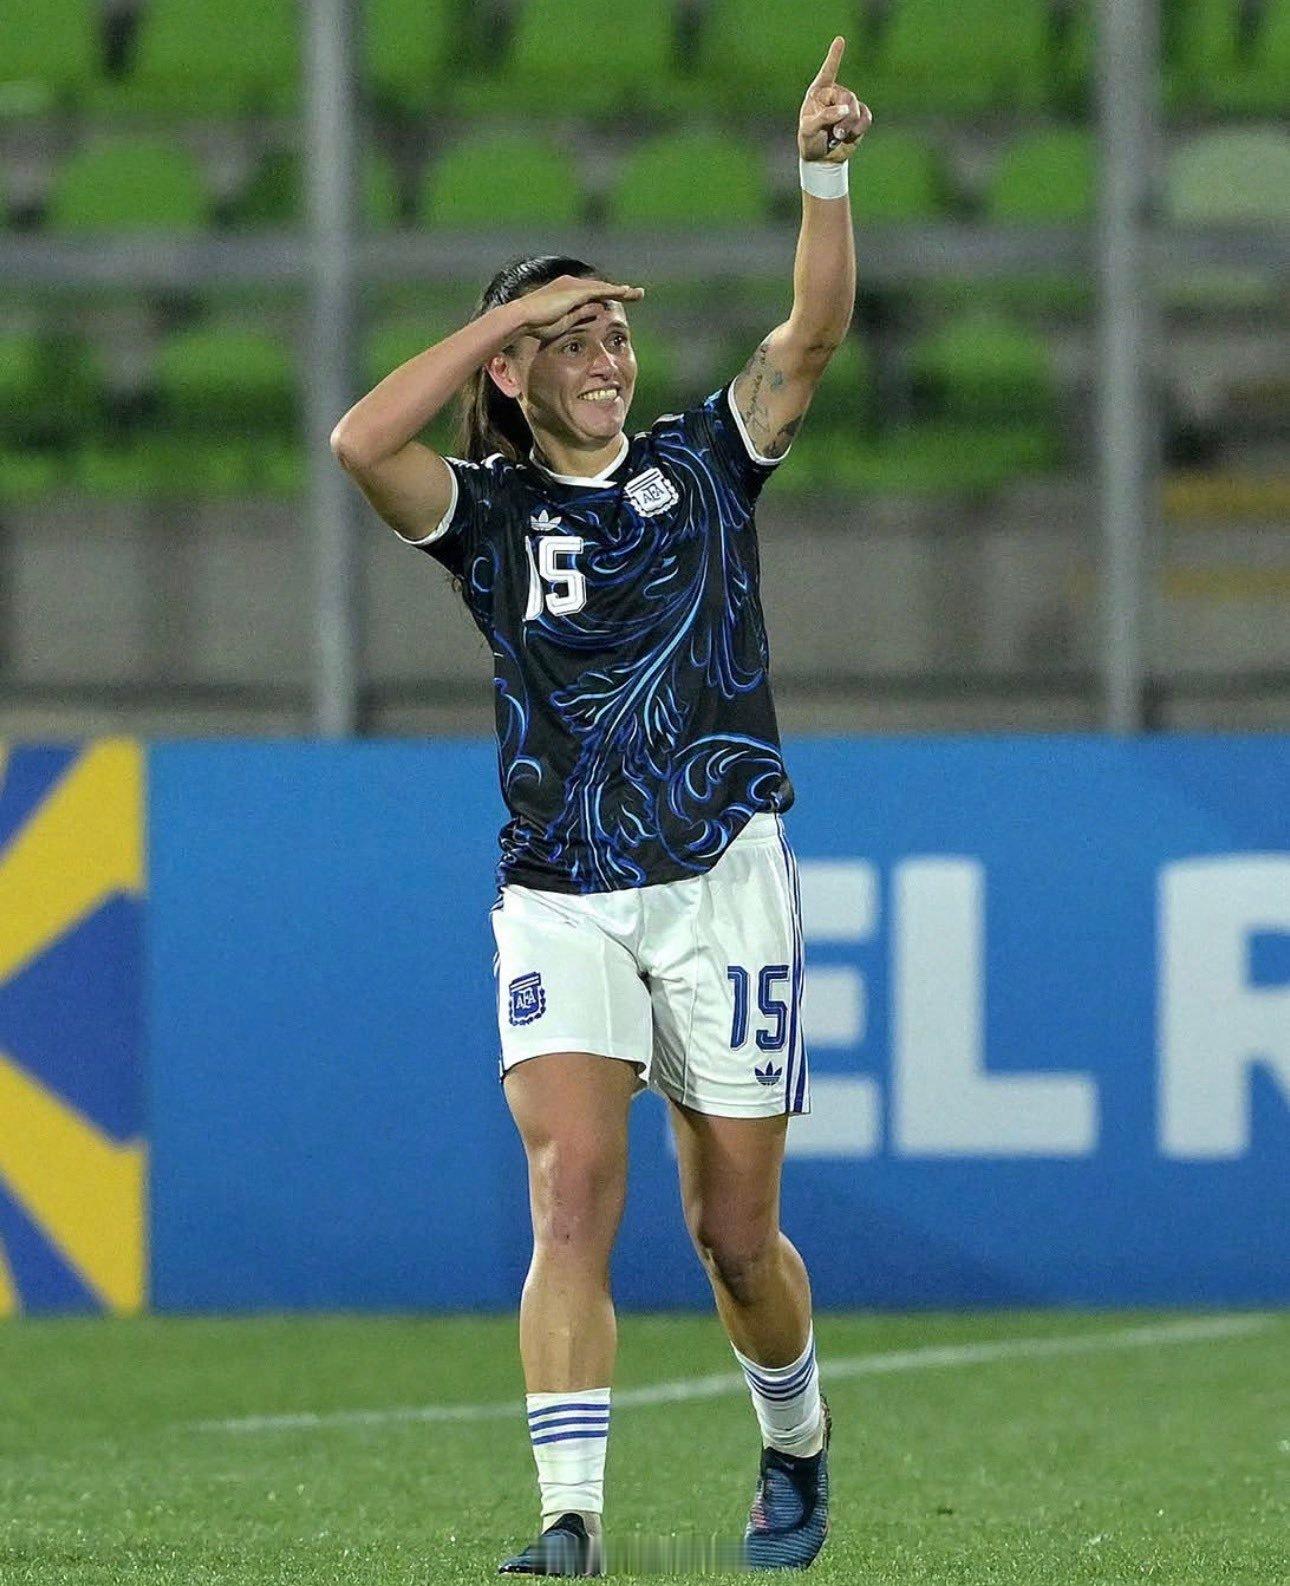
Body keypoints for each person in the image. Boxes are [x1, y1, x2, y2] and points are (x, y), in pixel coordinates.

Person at [331, 36, 870, 1576]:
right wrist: (502, 309)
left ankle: (794, 1440)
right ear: (509, 368)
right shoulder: (484, 516)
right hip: (561, 883)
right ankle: (569, 1518)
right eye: (569, 340)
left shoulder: (705, 460)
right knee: (569, 1184)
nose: (606, 357)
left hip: (720, 876)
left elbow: (812, 335)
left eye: (609, 335)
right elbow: (361, 441)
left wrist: (820, 169)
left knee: (733, 1234)